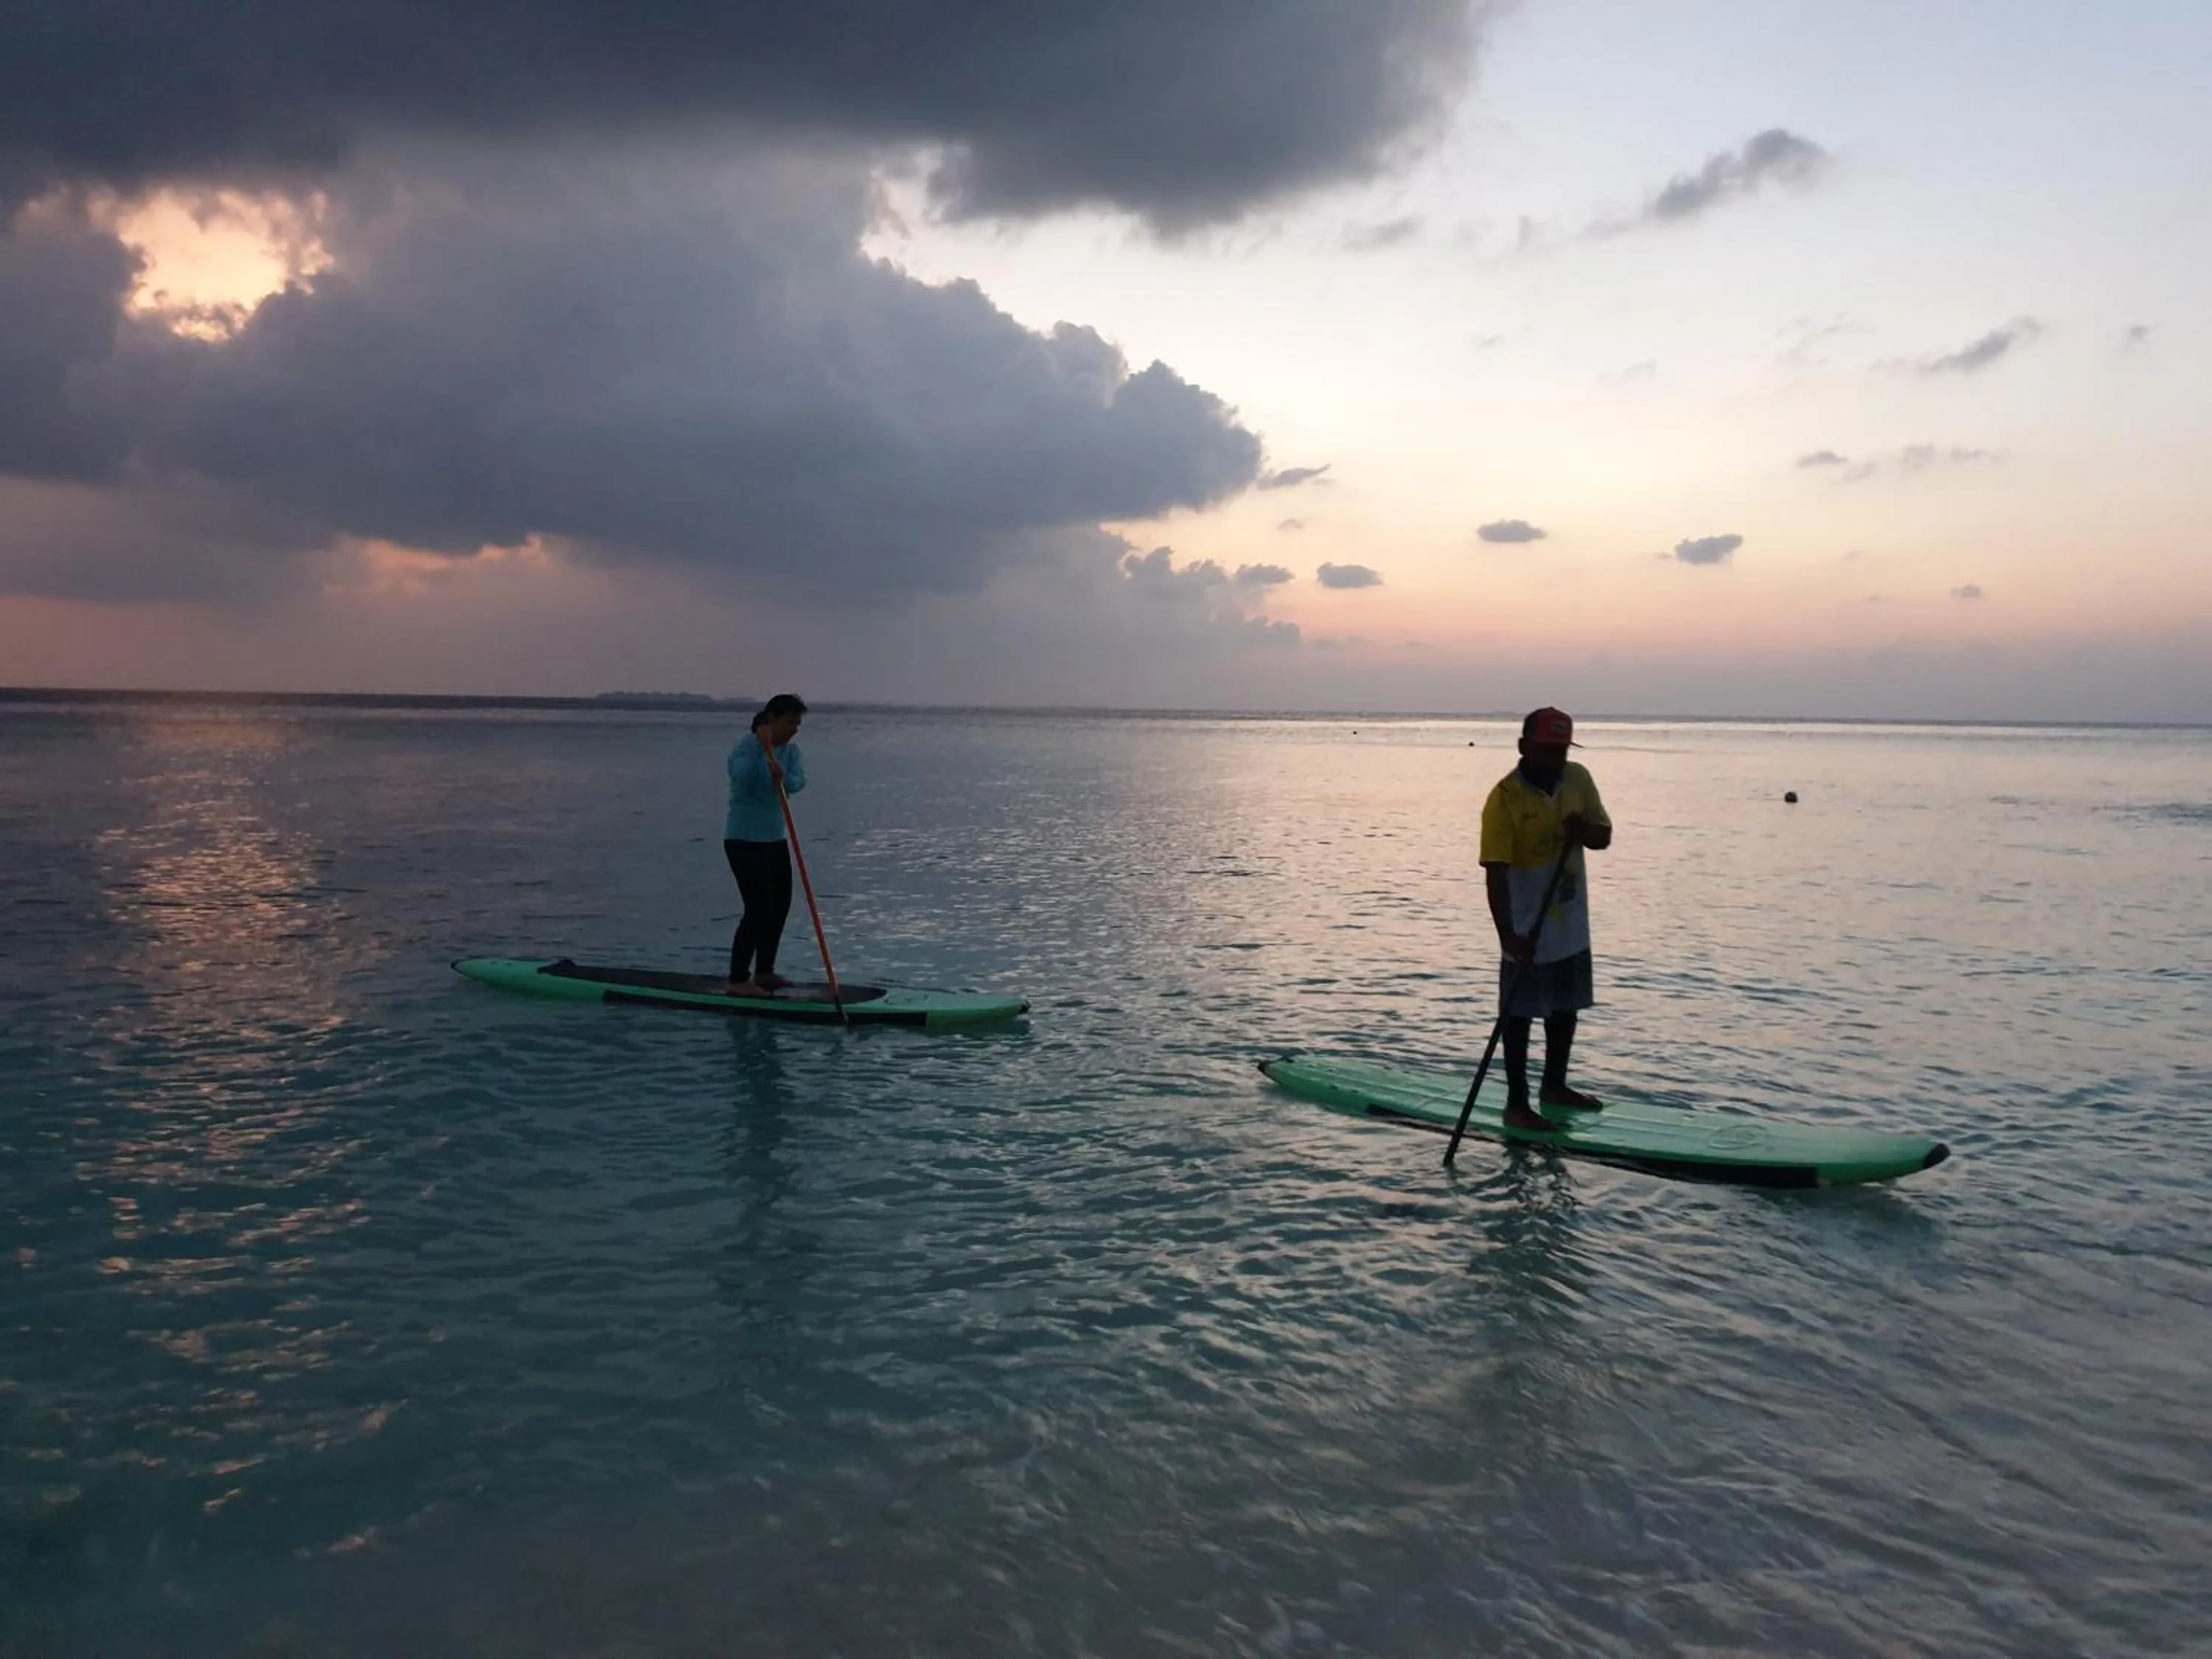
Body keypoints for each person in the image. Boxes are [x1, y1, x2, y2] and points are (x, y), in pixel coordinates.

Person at [1479, 706, 1613, 1131]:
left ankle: (1554, 1086)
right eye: (1547, 750)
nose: (1556, 759)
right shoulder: (1503, 800)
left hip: (1570, 922)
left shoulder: (1578, 779)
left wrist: (1584, 831)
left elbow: (1603, 836)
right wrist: (1509, 938)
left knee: (1565, 1007)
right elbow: (1496, 874)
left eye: (1561, 750)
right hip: (1525, 927)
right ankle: (1516, 1105)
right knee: (1518, 1016)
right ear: (1524, 747)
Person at [724, 694, 809, 996]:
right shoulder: (745, 748)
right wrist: (763, 752)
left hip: (775, 839)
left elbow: (798, 782)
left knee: (780, 906)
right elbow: (743, 778)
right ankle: (737, 979)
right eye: (790, 723)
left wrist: (783, 778)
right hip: (744, 840)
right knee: (758, 909)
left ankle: (764, 972)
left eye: (798, 724)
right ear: (771, 720)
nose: (795, 729)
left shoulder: (791, 752)